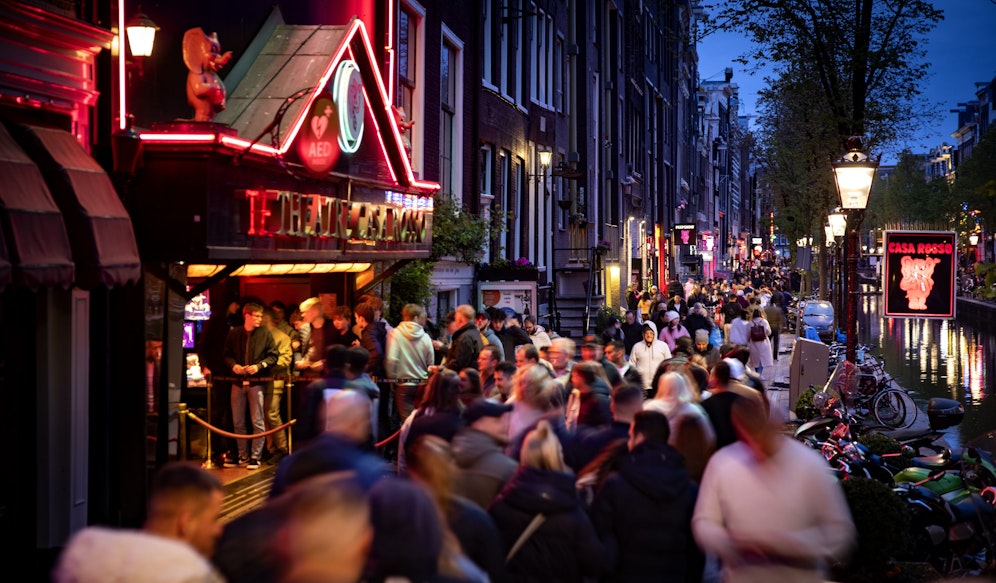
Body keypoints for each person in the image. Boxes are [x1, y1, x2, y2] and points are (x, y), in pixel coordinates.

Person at [692, 397, 856, 583]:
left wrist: (786, 544)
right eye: (748, 435)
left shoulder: (809, 465)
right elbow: (703, 521)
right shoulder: (723, 463)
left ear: (775, 425)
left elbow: (840, 532)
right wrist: (730, 542)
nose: (756, 446)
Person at [54, 463, 225, 583]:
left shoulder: (82, 552)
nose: (218, 530)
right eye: (213, 520)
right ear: (185, 523)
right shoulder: (193, 574)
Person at [589, 410, 700, 583]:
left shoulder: (615, 484)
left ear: (639, 437)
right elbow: (695, 551)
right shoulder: (689, 487)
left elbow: (598, 539)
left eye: (630, 435)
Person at [489, 421, 607, 582]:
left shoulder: (502, 503)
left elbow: (491, 557)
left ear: (524, 454)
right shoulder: (572, 511)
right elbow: (594, 564)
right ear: (558, 456)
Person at [407, 436, 507, 583]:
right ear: (451, 470)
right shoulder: (475, 519)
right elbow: (496, 573)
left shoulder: (398, 516)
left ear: (412, 472)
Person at [270, 389, 389, 498]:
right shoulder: (369, 470)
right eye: (366, 419)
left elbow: (271, 513)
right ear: (356, 423)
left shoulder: (289, 463)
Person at [223, 302, 279, 469]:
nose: (260, 319)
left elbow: (273, 355)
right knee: (238, 422)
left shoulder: (265, 334)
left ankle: (255, 457)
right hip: (237, 382)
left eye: (260, 316)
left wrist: (259, 366)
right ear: (246, 315)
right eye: (256, 316)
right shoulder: (234, 333)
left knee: (257, 421)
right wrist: (234, 366)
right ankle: (243, 456)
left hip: (256, 382)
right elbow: (227, 354)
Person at [643, 371, 716, 482]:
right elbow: (709, 439)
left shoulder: (648, 409)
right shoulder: (694, 411)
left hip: (653, 465)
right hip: (686, 467)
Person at [451, 399, 518, 510]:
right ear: (478, 425)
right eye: (497, 420)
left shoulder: (451, 454)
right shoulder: (507, 469)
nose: (505, 424)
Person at [386, 303, 434, 421]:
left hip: (403, 384)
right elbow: (431, 362)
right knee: (421, 420)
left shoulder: (395, 334)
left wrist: (392, 378)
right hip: (422, 383)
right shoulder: (426, 337)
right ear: (416, 318)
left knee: (407, 422)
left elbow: (392, 359)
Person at [262, 307, 292, 462]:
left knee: (272, 414)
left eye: (263, 319)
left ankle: (282, 448)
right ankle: (270, 448)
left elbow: (285, 360)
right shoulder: (259, 335)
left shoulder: (282, 337)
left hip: (276, 380)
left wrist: (265, 365)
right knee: (264, 415)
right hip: (261, 381)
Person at [628, 321, 671, 396]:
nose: (649, 335)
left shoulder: (663, 346)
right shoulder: (637, 346)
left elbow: (669, 364)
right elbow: (631, 364)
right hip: (641, 385)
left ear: (655, 334)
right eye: (646, 333)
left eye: (651, 333)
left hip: (658, 384)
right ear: (643, 334)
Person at [444, 305, 483, 373]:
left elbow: (459, 364)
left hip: (463, 378)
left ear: (460, 319)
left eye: (456, 318)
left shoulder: (464, 338)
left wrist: (442, 369)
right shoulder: (474, 333)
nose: (455, 321)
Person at [296, 297, 328, 374]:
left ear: (315, 312)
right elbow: (297, 349)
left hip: (325, 374)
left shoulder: (331, 329)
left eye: (305, 312)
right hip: (307, 373)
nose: (302, 315)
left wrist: (325, 362)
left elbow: (338, 354)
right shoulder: (304, 328)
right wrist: (298, 360)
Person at [746, 308, 774, 380]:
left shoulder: (750, 323)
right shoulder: (764, 321)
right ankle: (759, 374)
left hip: (753, 343)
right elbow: (769, 332)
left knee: (755, 359)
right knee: (762, 359)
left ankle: (757, 373)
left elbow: (748, 334)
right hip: (763, 342)